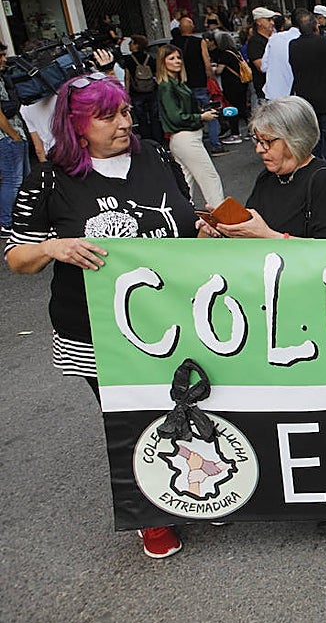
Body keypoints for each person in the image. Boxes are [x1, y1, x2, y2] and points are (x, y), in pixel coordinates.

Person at [5, 73, 197, 559]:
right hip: (96, 330)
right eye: (107, 116)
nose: (123, 123)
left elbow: (189, 218)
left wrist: (212, 230)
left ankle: (196, 487)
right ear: (76, 124)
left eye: (126, 111)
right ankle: (150, 514)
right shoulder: (49, 179)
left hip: (176, 318)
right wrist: (54, 246)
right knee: (131, 417)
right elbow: (16, 258)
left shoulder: (154, 154)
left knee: (188, 406)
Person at [203, 97, 326, 241]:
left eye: (267, 141)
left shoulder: (323, 180)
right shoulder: (268, 177)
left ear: (295, 139)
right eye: (257, 141)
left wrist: (268, 236)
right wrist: (226, 228)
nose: (259, 149)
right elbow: (252, 225)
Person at [156, 45, 225, 208]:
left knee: (186, 182)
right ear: (163, 62)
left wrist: (201, 113)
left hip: (182, 139)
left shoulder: (175, 84)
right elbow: (176, 116)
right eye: (171, 58)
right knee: (209, 178)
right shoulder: (167, 86)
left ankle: (183, 217)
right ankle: (222, 217)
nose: (177, 61)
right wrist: (201, 116)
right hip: (186, 137)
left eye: (178, 57)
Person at [287, 8, 326, 166]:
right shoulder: (325, 41)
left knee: (313, 147)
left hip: (307, 104)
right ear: (316, 26)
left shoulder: (293, 46)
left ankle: (319, 177)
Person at [173, 17, 221, 153]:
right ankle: (215, 144)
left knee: (188, 114)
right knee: (210, 112)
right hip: (199, 82)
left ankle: (191, 146)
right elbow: (207, 62)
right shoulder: (199, 42)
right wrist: (211, 78)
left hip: (182, 84)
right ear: (192, 27)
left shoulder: (173, 43)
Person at [0, 42, 31, 239]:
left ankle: (20, 218)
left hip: (14, 135)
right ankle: (6, 223)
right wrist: (13, 135)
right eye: (0, 56)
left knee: (24, 178)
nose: (4, 59)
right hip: (7, 137)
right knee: (13, 180)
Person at [122, 35, 163, 143]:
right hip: (151, 90)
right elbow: (157, 74)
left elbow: (127, 77)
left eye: (131, 43)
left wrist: (126, 93)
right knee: (154, 116)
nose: (129, 45)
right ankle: (158, 139)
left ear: (136, 45)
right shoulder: (150, 58)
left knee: (141, 117)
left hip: (136, 92)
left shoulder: (128, 60)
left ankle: (147, 140)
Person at [212, 31, 248, 144]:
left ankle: (235, 133)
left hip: (231, 85)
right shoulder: (235, 52)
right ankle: (253, 129)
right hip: (241, 83)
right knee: (242, 107)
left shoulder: (225, 54)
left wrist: (213, 69)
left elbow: (219, 70)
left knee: (233, 109)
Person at [262, 12, 300, 100]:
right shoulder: (301, 38)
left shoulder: (273, 39)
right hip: (295, 95)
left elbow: (264, 66)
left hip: (274, 94)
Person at [245, 5, 277, 104]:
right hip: (264, 90)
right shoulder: (255, 42)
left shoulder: (274, 39)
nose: (272, 23)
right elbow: (260, 66)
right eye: (268, 19)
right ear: (259, 22)